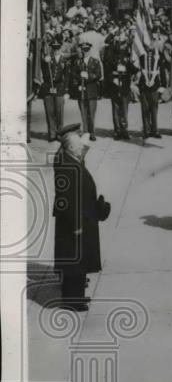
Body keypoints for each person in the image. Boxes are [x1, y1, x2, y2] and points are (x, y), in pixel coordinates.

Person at [52, 124, 109, 310]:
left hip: (82, 217)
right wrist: (76, 224)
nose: (82, 149)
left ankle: (75, 297)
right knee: (75, 262)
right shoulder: (68, 165)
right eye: (78, 147)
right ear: (70, 148)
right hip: (76, 221)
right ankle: (72, 301)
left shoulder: (70, 159)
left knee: (78, 261)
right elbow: (68, 199)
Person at [107, 31, 137, 140]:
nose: (121, 45)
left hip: (124, 85)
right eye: (119, 43)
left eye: (123, 43)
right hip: (115, 86)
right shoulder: (111, 56)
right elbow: (108, 71)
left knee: (124, 109)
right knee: (115, 108)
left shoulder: (128, 57)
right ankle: (117, 130)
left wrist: (130, 69)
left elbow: (133, 70)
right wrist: (113, 78)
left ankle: (124, 130)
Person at [137, 33, 165, 139]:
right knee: (145, 108)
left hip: (155, 85)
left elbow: (162, 70)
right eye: (148, 42)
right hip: (144, 84)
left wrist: (163, 85)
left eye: (152, 42)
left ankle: (155, 130)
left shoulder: (159, 54)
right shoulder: (142, 55)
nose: (150, 44)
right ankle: (146, 130)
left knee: (154, 108)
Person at [76, 37, 103, 141]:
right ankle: (85, 131)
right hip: (81, 90)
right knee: (83, 112)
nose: (85, 51)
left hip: (91, 91)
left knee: (91, 114)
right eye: (83, 49)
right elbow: (73, 74)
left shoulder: (95, 62)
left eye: (87, 49)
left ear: (90, 50)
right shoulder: (78, 62)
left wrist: (88, 76)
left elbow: (99, 75)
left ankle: (92, 133)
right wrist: (79, 79)